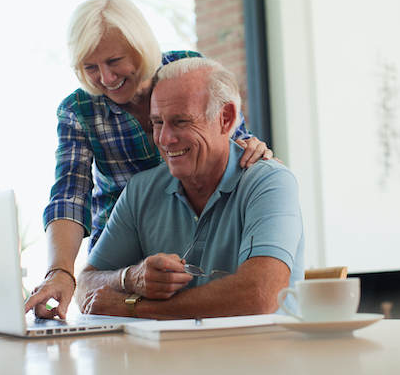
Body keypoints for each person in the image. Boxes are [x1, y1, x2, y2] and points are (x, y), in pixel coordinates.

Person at [25, 0, 274, 319]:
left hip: (196, 246)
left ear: (140, 48)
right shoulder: (79, 110)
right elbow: (69, 196)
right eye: (90, 67)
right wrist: (60, 271)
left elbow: (226, 141)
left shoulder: (185, 72)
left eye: (114, 61)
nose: (106, 78)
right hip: (120, 258)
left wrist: (253, 149)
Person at [75, 57, 304, 319]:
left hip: (263, 355)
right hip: (173, 357)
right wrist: (128, 279)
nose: (164, 139)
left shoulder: (269, 182)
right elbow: (84, 286)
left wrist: (135, 308)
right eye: (158, 122)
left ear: (226, 119)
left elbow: (261, 295)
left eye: (181, 121)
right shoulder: (141, 190)